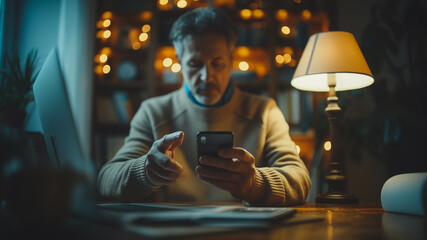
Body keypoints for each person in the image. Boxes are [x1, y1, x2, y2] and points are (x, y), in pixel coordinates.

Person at [97, 7, 311, 206]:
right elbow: (106, 180)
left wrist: (254, 183)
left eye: (217, 63)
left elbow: (300, 180)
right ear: (179, 60)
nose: (207, 76)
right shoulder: (153, 112)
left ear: (231, 58)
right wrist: (145, 171)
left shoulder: (265, 111)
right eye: (194, 64)